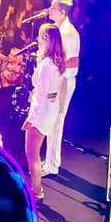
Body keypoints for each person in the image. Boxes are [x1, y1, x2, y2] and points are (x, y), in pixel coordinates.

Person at [23, 23, 66, 202]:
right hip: (50, 109)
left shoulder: (47, 65)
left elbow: (40, 95)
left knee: (32, 153)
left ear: (48, 40)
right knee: (35, 152)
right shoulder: (57, 62)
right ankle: (36, 188)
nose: (38, 40)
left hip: (41, 113)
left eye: (41, 37)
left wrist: (31, 119)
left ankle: (37, 191)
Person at [42, 0, 80, 175]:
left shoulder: (69, 34)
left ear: (63, 12)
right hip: (56, 80)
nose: (49, 10)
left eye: (53, 8)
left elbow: (74, 62)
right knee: (50, 120)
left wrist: (55, 65)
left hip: (63, 82)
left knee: (56, 122)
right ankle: (49, 160)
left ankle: (51, 165)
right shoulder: (56, 29)